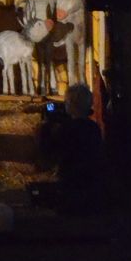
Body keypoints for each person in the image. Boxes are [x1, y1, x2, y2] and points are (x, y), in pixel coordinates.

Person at [51, 83, 107, 214]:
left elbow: (56, 151)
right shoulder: (93, 128)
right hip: (91, 183)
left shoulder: (66, 129)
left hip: (72, 182)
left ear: (70, 104)